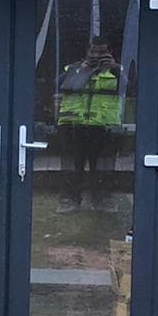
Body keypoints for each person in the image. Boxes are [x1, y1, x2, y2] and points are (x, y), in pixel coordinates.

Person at [55, 41, 123, 212]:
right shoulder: (74, 68)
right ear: (86, 52)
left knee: (102, 168)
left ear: (109, 53)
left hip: (104, 127)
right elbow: (56, 84)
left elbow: (131, 88)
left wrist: (114, 68)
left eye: (101, 53)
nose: (96, 57)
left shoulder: (116, 71)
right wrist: (81, 69)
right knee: (73, 167)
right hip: (74, 125)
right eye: (93, 53)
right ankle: (70, 201)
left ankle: (101, 201)